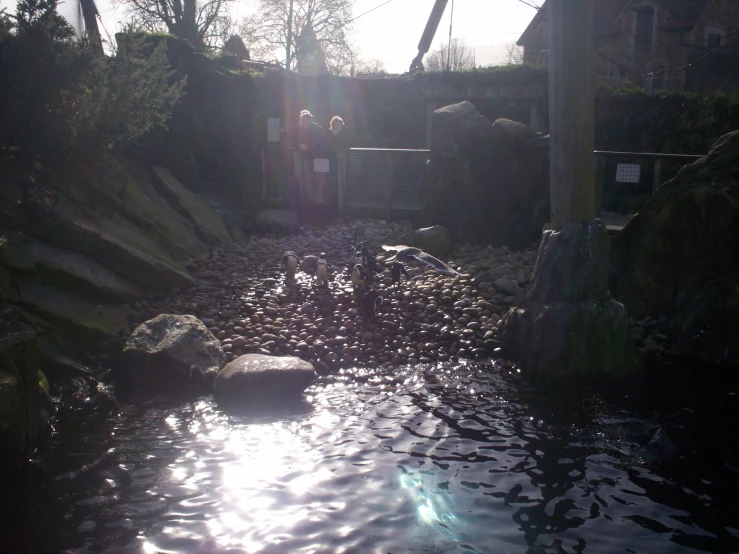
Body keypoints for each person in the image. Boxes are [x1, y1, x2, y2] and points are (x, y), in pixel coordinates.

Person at [297, 110, 326, 207]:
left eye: (304, 120)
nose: (302, 122)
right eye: (301, 120)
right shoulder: (300, 128)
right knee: (307, 179)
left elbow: (321, 142)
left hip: (321, 156)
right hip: (307, 157)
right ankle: (311, 199)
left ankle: (319, 199)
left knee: (320, 179)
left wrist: (308, 147)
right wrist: (299, 146)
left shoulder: (318, 128)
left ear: (309, 120)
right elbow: (295, 139)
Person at [324, 116, 350, 214]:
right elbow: (326, 144)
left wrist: (333, 142)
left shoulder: (345, 132)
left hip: (343, 161)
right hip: (331, 161)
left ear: (341, 125)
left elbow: (346, 144)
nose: (336, 126)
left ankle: (343, 203)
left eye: (338, 124)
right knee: (331, 182)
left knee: (343, 181)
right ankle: (332, 204)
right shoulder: (328, 132)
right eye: (334, 125)